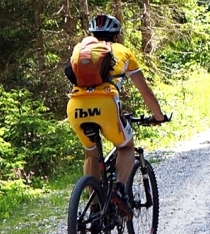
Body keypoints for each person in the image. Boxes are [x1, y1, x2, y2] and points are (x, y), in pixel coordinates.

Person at [66, 14, 167, 218]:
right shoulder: (123, 52)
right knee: (126, 146)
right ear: (116, 36)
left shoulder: (80, 51)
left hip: (75, 106)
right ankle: (119, 191)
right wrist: (159, 116)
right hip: (106, 105)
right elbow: (145, 91)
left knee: (90, 154)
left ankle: (95, 209)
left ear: (92, 35)